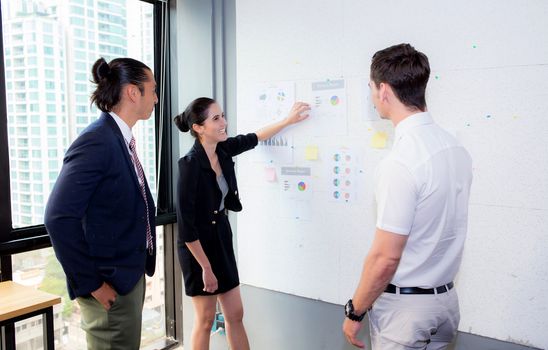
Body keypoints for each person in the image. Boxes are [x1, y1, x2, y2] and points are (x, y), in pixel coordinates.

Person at [342, 43, 473, 349]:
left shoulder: (400, 162)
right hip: (446, 303)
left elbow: (385, 257)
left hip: (406, 313)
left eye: (372, 89)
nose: (372, 96)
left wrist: (355, 311)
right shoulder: (456, 150)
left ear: (384, 91)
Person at [174, 97, 310, 350]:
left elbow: (255, 137)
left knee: (235, 314)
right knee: (204, 319)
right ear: (198, 128)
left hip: (221, 237)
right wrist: (206, 268)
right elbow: (186, 227)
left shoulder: (224, 149)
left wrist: (288, 120)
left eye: (223, 115)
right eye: (216, 118)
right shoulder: (189, 166)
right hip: (197, 248)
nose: (224, 122)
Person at [44, 57, 158, 350]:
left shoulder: (119, 138)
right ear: (133, 92)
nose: (156, 98)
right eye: (153, 89)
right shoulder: (97, 141)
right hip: (109, 282)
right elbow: (59, 217)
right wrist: (93, 284)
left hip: (127, 277)